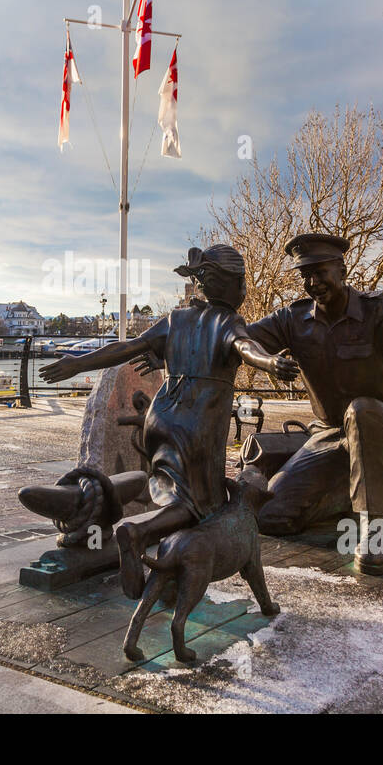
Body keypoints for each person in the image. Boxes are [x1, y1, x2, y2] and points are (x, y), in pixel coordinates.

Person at [40, 244, 298, 597]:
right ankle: (138, 535)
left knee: (175, 494)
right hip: (198, 425)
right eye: (241, 282)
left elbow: (129, 347)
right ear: (227, 285)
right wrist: (271, 364)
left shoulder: (177, 319)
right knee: (200, 505)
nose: (244, 290)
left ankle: (171, 571)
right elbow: (244, 347)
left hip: (160, 418)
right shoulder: (228, 321)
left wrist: (79, 363)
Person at [245, 233, 383, 574]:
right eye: (306, 276)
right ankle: (346, 495)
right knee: (271, 516)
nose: (313, 283)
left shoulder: (381, 309)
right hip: (328, 436)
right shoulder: (292, 320)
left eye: (320, 272)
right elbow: (241, 337)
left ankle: (376, 533)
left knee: (362, 411)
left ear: (341, 270)